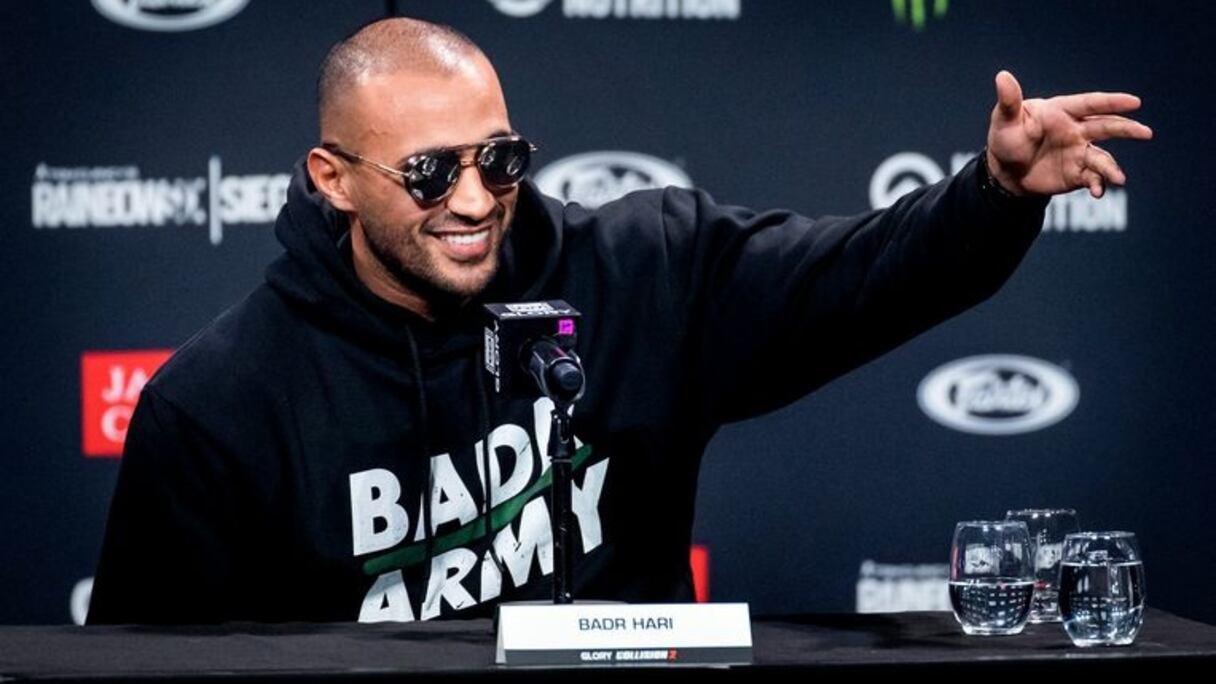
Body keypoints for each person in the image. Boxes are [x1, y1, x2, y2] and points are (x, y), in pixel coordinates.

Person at [87, 17, 1151, 625]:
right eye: (428, 173)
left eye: (498, 159)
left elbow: (862, 278)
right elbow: (143, 665)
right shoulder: (220, 402)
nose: (474, 200)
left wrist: (993, 196)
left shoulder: (645, 271)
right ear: (333, 178)